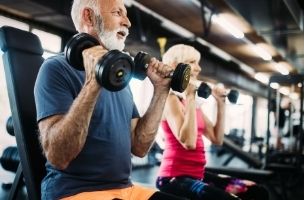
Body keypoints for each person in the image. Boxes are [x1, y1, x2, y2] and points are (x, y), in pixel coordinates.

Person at [34, 0, 184, 199]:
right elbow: (58, 156)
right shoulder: (55, 68)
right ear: (89, 17)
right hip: (75, 192)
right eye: (117, 12)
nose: (128, 22)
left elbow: (139, 147)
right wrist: (92, 82)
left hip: (127, 190)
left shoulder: (120, 77)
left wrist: (161, 90)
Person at [156, 44, 269, 200]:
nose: (198, 68)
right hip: (173, 178)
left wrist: (220, 104)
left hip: (198, 174)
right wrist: (190, 98)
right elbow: (188, 142)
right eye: (192, 62)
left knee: (256, 191)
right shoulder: (171, 99)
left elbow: (217, 139)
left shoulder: (193, 104)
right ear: (176, 66)